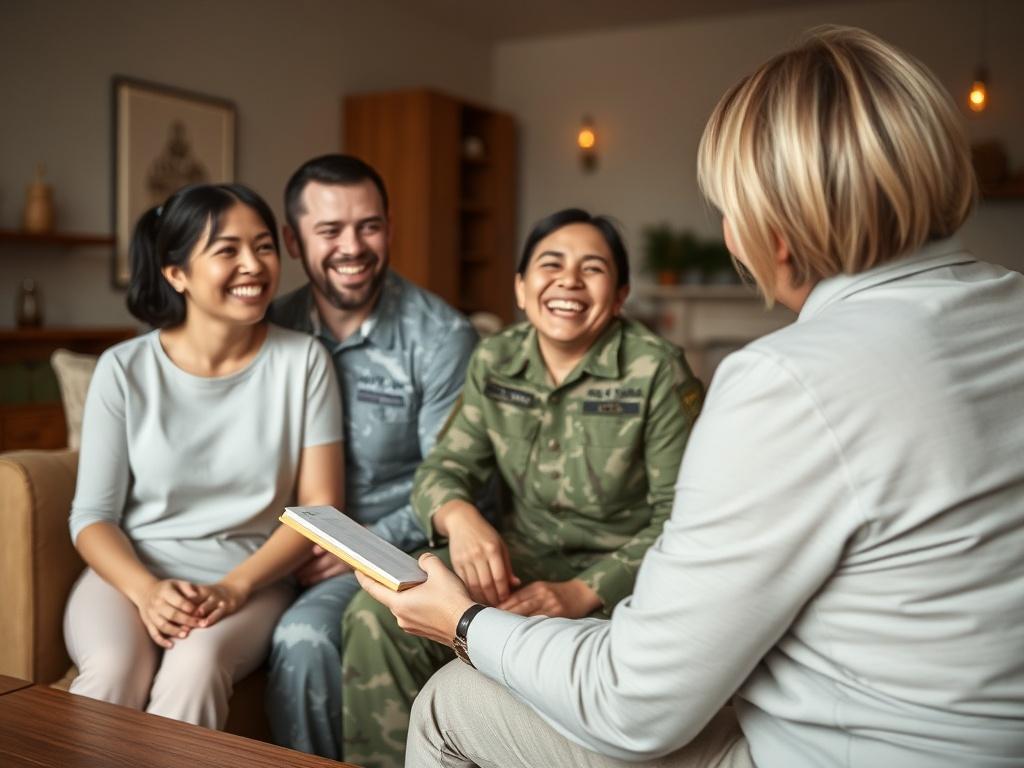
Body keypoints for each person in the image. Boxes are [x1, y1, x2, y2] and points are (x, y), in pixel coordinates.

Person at [357, 26, 1024, 768]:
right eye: (548, 265)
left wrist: (465, 622)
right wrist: (462, 518)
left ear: (775, 230)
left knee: (453, 700)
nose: (730, 236)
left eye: (729, 209)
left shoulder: (777, 378)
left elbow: (632, 706)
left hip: (848, 745)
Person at [342, 208, 705, 767]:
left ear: (620, 293)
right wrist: (460, 518)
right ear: (520, 286)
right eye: (550, 264)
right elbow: (442, 470)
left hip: (620, 586)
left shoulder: (657, 371)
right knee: (373, 618)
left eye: (593, 269)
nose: (568, 281)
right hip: (514, 567)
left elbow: (683, 519)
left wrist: (581, 593)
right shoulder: (495, 359)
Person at [63, 183, 343, 730]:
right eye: (227, 250)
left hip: (247, 580)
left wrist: (233, 587)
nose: (253, 265)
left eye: (263, 247)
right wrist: (146, 592)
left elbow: (319, 508)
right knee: (112, 672)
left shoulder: (304, 361)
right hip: (131, 575)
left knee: (196, 667)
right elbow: (91, 516)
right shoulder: (123, 369)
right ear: (177, 274)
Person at [264, 154, 480, 759]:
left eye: (370, 226)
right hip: (280, 542)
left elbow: (454, 477)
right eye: (330, 230)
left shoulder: (440, 337)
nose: (352, 246)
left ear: (390, 226)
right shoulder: (271, 324)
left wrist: (355, 543)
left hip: (393, 549)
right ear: (292, 239)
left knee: (304, 640)